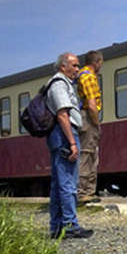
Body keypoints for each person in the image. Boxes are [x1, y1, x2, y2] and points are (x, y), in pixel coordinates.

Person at [45, 52, 93, 240]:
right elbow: (62, 114)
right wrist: (72, 142)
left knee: (59, 184)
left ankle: (57, 227)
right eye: (74, 65)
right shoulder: (58, 84)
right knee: (68, 183)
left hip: (62, 135)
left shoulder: (63, 84)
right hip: (64, 135)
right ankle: (70, 225)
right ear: (62, 66)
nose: (77, 69)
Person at [75, 49, 104, 202]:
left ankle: (88, 191)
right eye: (101, 63)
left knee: (91, 154)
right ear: (96, 62)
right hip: (88, 118)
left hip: (85, 116)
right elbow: (92, 105)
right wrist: (96, 123)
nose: (101, 66)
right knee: (87, 154)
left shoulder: (83, 75)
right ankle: (82, 192)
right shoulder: (88, 77)